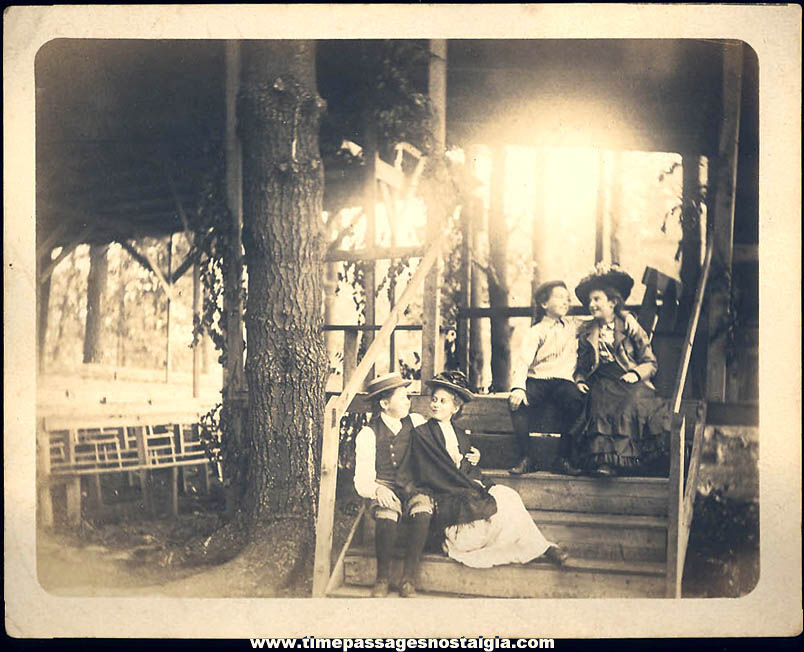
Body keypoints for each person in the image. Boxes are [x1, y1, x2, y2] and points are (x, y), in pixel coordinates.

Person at [410, 370, 569, 569]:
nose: (435, 404)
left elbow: (465, 467)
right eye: (434, 399)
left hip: (465, 493)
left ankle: (543, 547)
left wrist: (482, 481)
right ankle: (543, 548)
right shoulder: (422, 433)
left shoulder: (460, 435)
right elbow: (432, 472)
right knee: (496, 509)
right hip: (449, 502)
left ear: (455, 407)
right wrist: (471, 484)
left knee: (507, 495)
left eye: (443, 401)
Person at [573, 264, 671, 477]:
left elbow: (650, 362)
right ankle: (606, 463)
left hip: (629, 378)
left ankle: (635, 461)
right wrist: (580, 379)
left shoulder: (630, 326)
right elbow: (581, 366)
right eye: (589, 300)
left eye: (597, 299)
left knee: (632, 402)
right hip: (601, 379)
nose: (591, 304)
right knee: (598, 401)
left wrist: (635, 373)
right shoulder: (586, 331)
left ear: (613, 302)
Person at [353, 372, 431, 598]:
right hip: (386, 486)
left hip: (414, 486)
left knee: (423, 510)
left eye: (408, 396)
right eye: (403, 397)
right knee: (387, 513)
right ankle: (382, 577)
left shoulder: (416, 422)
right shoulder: (368, 434)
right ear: (385, 404)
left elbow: (437, 446)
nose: (409, 401)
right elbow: (362, 479)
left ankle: (408, 578)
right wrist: (377, 489)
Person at [508, 280, 586, 476]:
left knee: (576, 401)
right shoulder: (536, 331)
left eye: (567, 298)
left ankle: (563, 458)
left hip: (563, 381)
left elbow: (599, 319)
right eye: (559, 297)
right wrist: (518, 387)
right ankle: (527, 457)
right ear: (544, 304)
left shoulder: (574, 326)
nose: (566, 301)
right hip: (539, 379)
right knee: (518, 403)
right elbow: (524, 361)